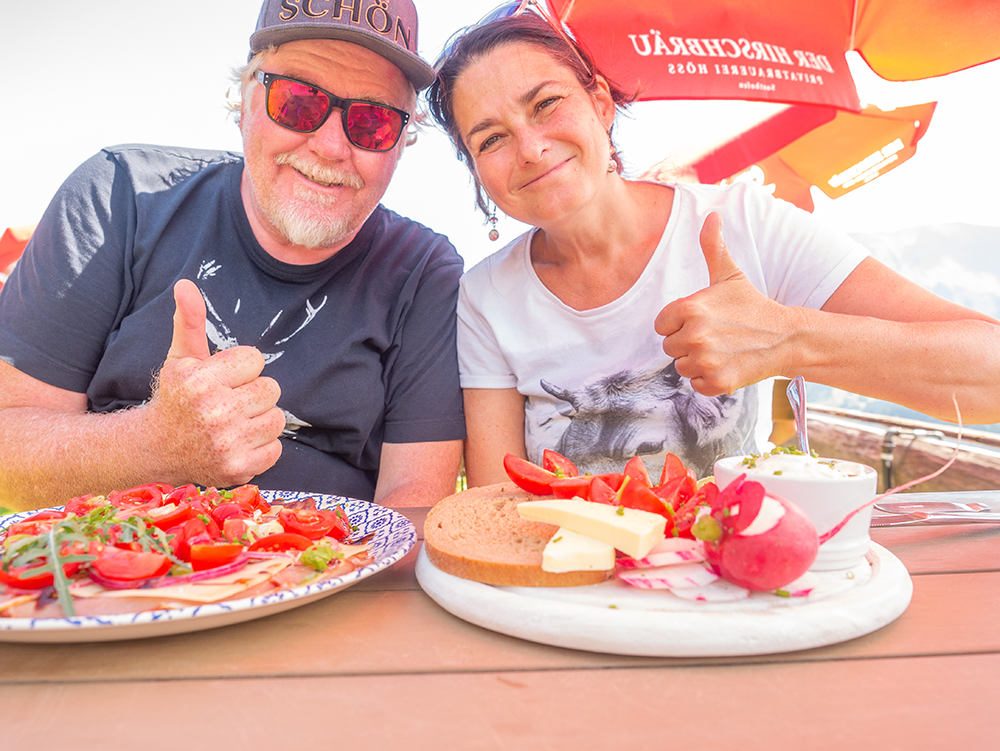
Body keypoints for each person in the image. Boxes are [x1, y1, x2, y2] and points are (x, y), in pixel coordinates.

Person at [426, 6, 1000, 485]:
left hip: (741, 582)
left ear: (600, 102)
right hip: (571, 596)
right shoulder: (485, 296)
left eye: (546, 103)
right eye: (491, 138)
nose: (528, 147)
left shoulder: (743, 223)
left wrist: (790, 337)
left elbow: (989, 375)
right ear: (478, 171)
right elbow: (498, 501)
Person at [0, 0, 466, 512]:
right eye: (298, 102)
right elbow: (8, 451)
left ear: (400, 145)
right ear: (244, 102)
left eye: (373, 122)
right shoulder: (119, 195)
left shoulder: (425, 272)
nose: (331, 146)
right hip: (112, 574)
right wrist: (154, 445)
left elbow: (416, 508)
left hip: (331, 576)